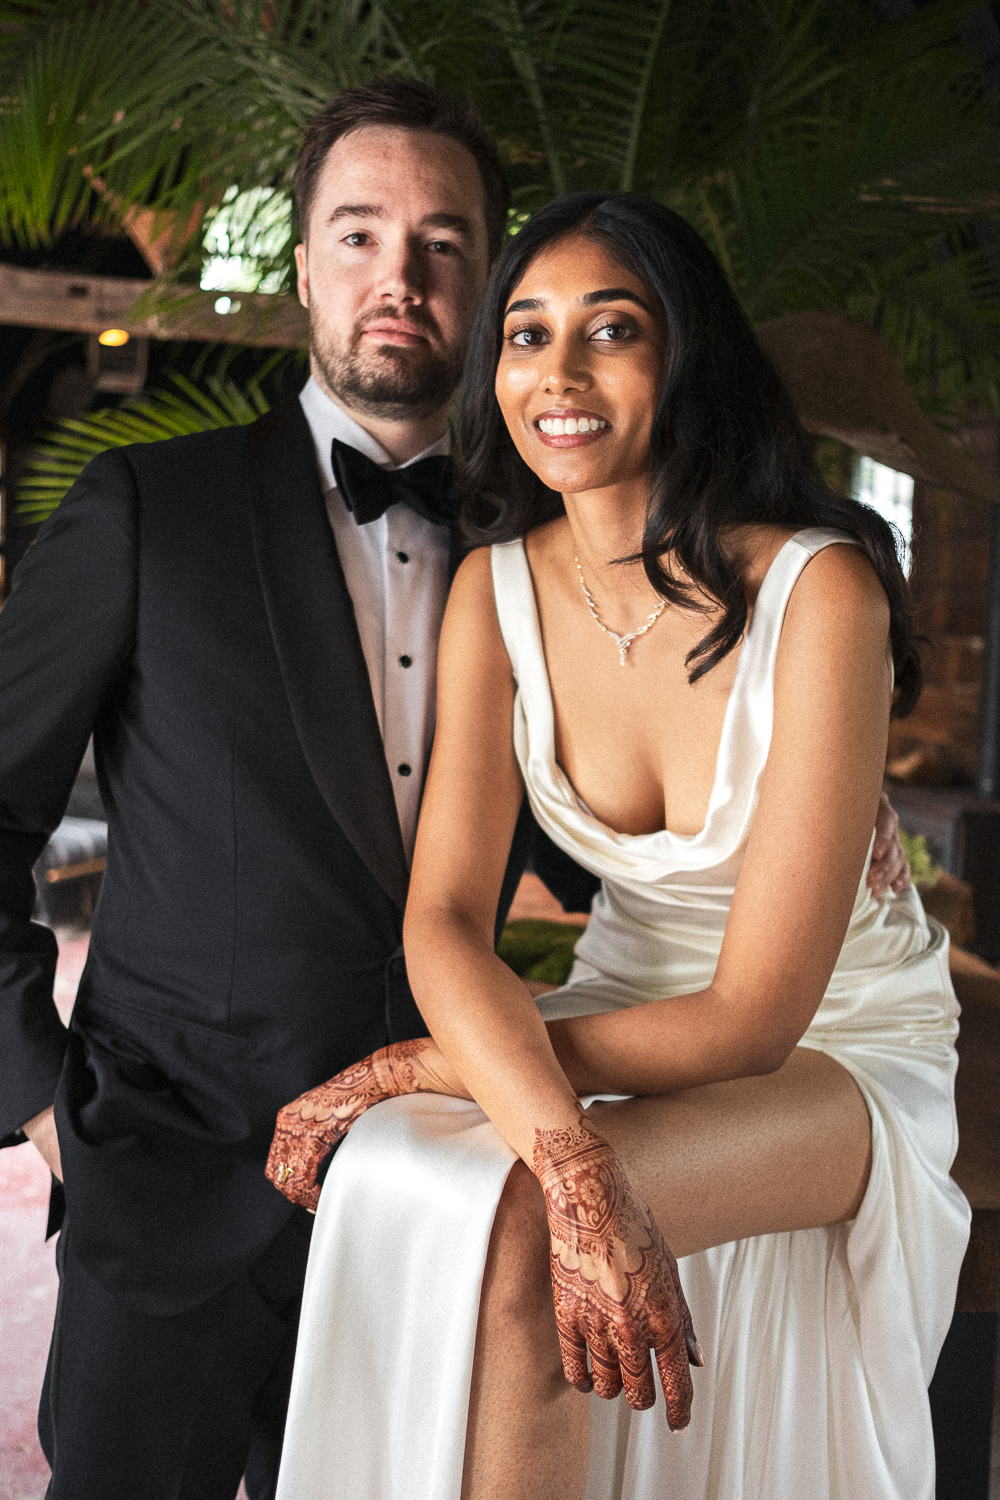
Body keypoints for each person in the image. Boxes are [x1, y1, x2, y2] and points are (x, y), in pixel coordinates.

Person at [266, 192, 969, 1500]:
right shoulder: (497, 589)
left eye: (613, 329)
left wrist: (451, 1065)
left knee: (527, 1222)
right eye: (526, 335)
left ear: (684, 358)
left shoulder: (821, 593)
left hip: (834, 1039)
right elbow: (442, 920)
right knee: (406, 1172)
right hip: (627, 1000)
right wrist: (550, 1121)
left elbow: (757, 1018)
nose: (560, 374)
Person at [0, 77, 550, 1500]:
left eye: (443, 242)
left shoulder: (550, 557)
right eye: (359, 235)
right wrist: (48, 1108)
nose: (400, 277)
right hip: (169, 1182)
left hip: (434, 1195)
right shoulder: (147, 514)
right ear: (303, 265)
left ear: (488, 277)